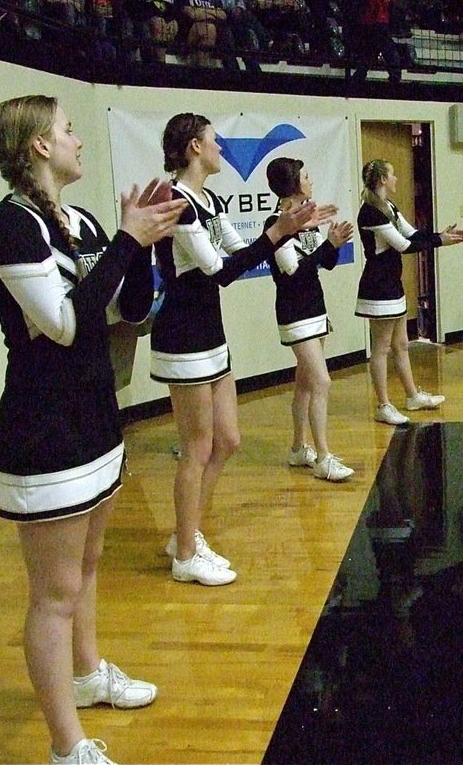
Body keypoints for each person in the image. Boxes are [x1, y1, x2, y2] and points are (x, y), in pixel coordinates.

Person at [0, 95, 187, 765]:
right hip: (45, 427)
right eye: (68, 131)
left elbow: (127, 307)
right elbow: (65, 325)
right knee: (54, 595)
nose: (78, 141)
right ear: (39, 146)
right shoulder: (9, 225)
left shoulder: (84, 217)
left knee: (89, 567)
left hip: (97, 413)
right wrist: (128, 240)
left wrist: (144, 245)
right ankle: (66, 746)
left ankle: (88, 674)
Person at [151, 113, 334, 585]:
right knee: (196, 447)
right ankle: (186, 551)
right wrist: (278, 234)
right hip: (183, 336)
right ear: (194, 147)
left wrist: (288, 230)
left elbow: (241, 250)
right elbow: (220, 269)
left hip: (211, 333)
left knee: (228, 439)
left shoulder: (208, 199)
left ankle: (186, 535)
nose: (220, 149)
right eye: (214, 142)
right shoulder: (177, 202)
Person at [356, 158, 463, 424]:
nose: (396, 178)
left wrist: (439, 235)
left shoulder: (389, 207)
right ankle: (383, 405)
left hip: (393, 283)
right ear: (383, 179)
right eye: (393, 174)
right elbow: (403, 245)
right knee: (382, 348)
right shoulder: (370, 212)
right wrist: (439, 241)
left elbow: (412, 233)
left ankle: (412, 396)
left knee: (402, 344)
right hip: (377, 286)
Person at [264, 156, 357, 482]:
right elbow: (295, 271)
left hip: (316, 308)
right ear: (292, 183)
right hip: (295, 312)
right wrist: (326, 246)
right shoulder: (275, 224)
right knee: (322, 381)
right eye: (306, 175)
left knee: (304, 384)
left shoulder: (306, 222)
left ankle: (297, 448)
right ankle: (323, 456)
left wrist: (334, 243)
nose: (311, 179)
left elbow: (324, 264)